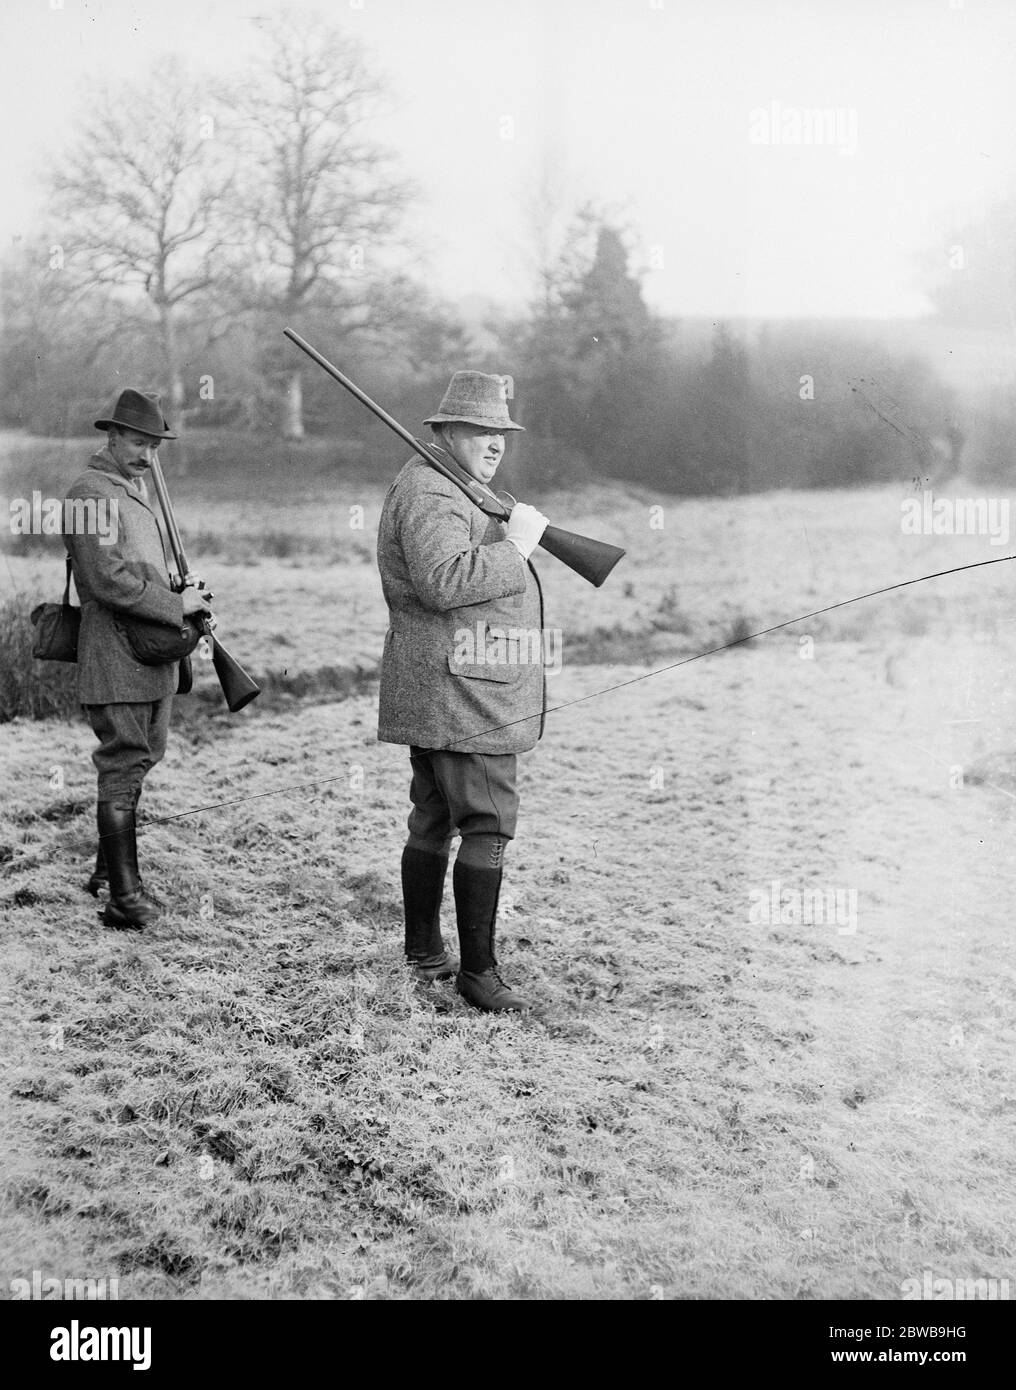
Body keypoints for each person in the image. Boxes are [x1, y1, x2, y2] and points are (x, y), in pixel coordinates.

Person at [376, 371, 550, 1012]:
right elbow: (444, 581)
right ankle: (478, 975)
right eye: (480, 430)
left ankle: (424, 953)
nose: (495, 441)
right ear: (445, 432)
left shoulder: (452, 485)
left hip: (450, 687)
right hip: (463, 695)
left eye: (501, 431)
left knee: (436, 817)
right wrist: (516, 547)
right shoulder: (431, 488)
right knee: (487, 822)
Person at [63, 389, 211, 929]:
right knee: (124, 763)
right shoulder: (90, 493)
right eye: (138, 442)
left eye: (154, 446)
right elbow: (105, 579)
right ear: (113, 436)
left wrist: (182, 590)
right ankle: (124, 901)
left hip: (149, 655)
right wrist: (175, 603)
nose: (147, 455)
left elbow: (139, 569)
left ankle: (108, 870)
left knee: (146, 755)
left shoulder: (132, 491)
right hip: (115, 655)